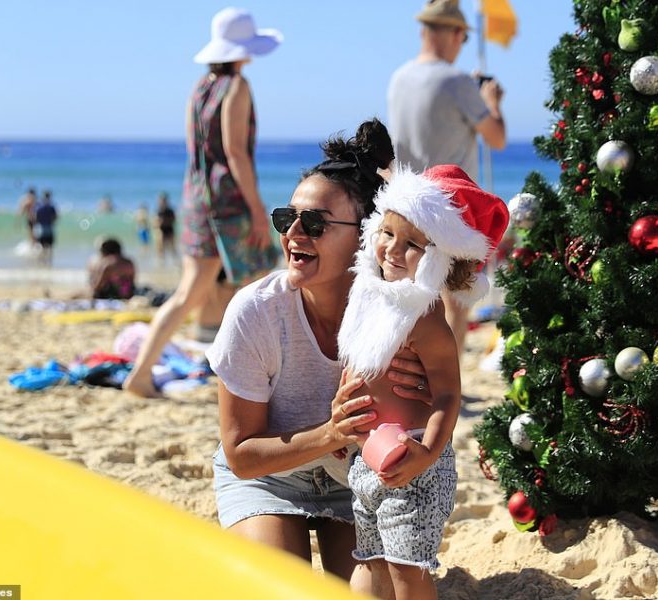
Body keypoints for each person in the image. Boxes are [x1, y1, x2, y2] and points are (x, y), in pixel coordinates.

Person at [204, 119, 432, 590]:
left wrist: (422, 406)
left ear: (366, 235)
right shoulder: (256, 313)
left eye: (315, 224)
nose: (294, 235)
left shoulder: (402, 315)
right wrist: (331, 433)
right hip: (268, 479)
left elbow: (433, 414)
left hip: (358, 484)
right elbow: (242, 455)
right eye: (287, 220)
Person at [337, 165, 508, 598]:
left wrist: (428, 452)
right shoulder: (370, 298)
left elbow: (449, 391)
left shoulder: (426, 317)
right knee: (372, 559)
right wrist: (337, 418)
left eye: (412, 244)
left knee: (407, 571)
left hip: (414, 461)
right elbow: (356, 362)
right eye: (387, 233)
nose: (393, 249)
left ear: (437, 259)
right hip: (368, 459)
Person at [123, 7, 280, 398]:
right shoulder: (237, 87)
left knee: (187, 295)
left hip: (196, 198)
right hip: (228, 203)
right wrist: (258, 209)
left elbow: (199, 151)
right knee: (262, 287)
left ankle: (141, 373)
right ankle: (269, 381)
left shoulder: (201, 87)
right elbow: (235, 152)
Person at [387, 0, 507, 360]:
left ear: (424, 30)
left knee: (412, 295)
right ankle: (447, 384)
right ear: (455, 34)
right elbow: (497, 138)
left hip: (408, 199)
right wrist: (491, 101)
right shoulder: (457, 82)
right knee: (456, 300)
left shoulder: (399, 77)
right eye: (463, 38)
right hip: (454, 205)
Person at [34, 190, 57, 267]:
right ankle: (49, 262)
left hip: (41, 228)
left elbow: (35, 218)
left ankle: (40, 261)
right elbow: (55, 217)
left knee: (40, 246)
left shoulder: (39, 207)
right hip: (49, 228)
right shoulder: (51, 207)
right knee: (50, 247)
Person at [154, 192, 178, 263]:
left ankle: (175, 263)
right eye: (161, 200)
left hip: (170, 230)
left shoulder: (170, 211)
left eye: (163, 200)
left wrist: (165, 221)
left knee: (172, 249)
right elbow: (156, 223)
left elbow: (174, 220)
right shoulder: (158, 211)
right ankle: (162, 264)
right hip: (161, 231)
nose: (162, 202)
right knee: (160, 249)